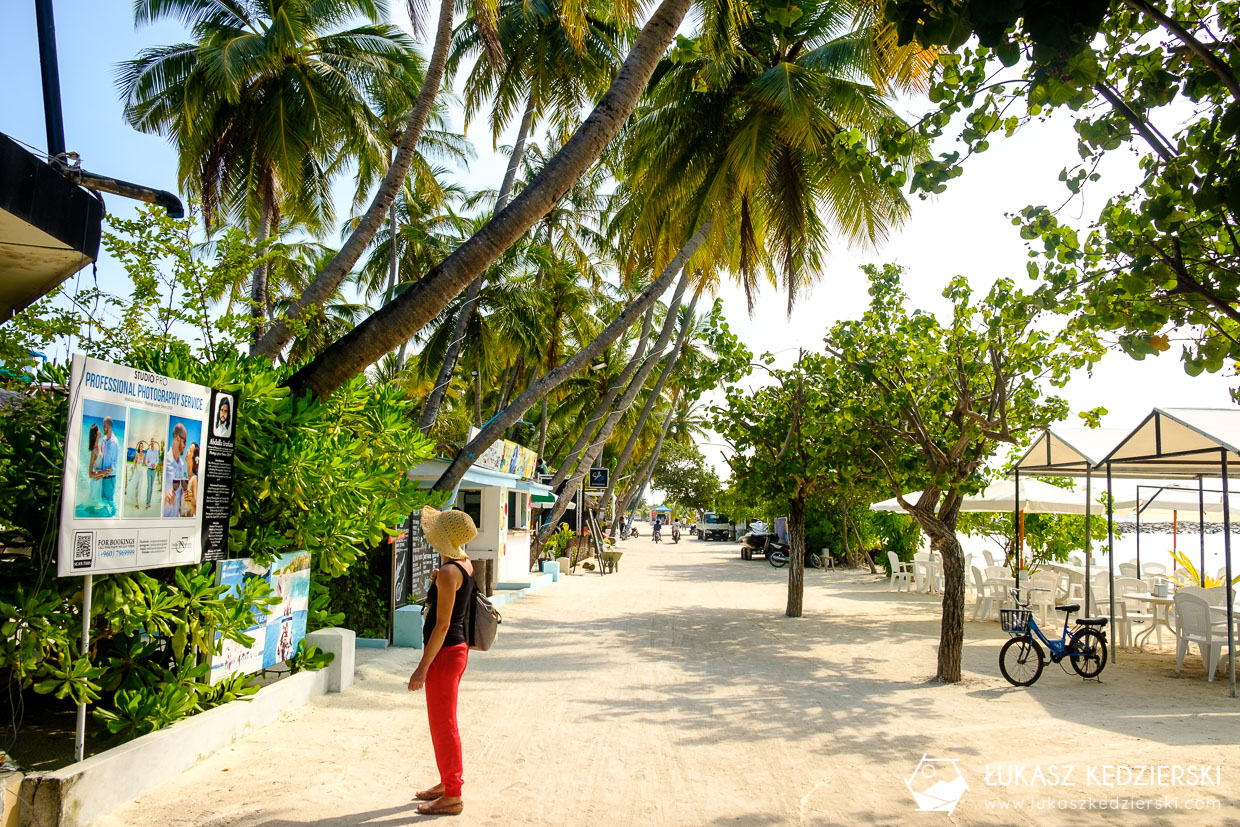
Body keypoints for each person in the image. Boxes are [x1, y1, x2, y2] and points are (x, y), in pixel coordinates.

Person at [408, 505, 478, 817]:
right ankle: (446, 782)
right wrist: (439, 582)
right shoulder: (461, 564)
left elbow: (442, 624)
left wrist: (422, 667)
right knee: (440, 724)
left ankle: (453, 793)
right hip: (453, 652)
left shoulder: (451, 572)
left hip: (446, 654)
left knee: (444, 724)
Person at [163, 423, 187, 517]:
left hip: (175, 521)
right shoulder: (165, 461)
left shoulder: (181, 464)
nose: (185, 445)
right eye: (184, 441)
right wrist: (165, 497)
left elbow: (180, 493)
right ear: (178, 438)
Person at [97, 417, 120, 515]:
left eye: (105, 426)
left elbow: (114, 466)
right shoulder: (103, 439)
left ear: (110, 427)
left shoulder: (115, 443)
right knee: (103, 499)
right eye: (103, 426)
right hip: (102, 477)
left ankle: (115, 518)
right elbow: (101, 455)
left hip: (110, 478)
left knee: (111, 502)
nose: (103, 428)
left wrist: (102, 474)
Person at [181, 443, 199, 517]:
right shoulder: (185, 478)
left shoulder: (194, 479)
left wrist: (190, 502)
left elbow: (196, 510)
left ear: (193, 459)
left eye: (190, 451)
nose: (187, 451)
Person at [144, 437, 161, 510]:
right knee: (149, 487)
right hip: (149, 470)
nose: (152, 442)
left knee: (151, 487)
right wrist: (151, 464)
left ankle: (149, 502)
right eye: (151, 441)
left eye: (153, 441)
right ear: (150, 443)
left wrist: (155, 464)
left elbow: (157, 460)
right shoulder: (148, 451)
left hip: (154, 471)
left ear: (154, 442)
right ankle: (147, 503)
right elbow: (146, 461)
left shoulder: (156, 451)